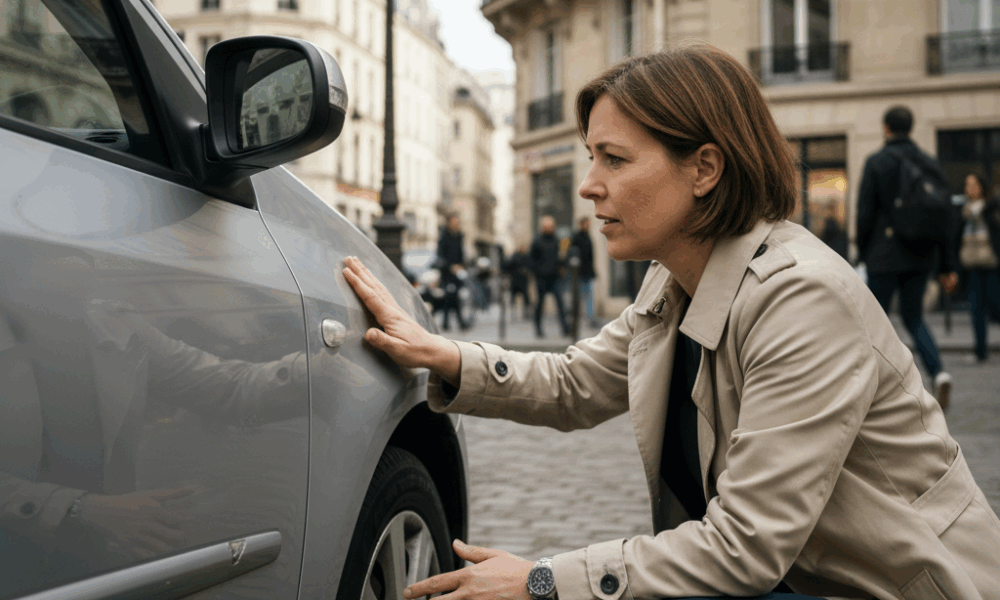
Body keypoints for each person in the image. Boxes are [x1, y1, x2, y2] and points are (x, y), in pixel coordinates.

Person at [343, 44, 1000, 600]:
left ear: (705, 169)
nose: (589, 184)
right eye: (591, 157)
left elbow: (743, 546)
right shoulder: (678, 280)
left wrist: (540, 581)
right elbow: (578, 383)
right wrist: (440, 354)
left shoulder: (801, 297)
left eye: (615, 159)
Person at [856, 105, 958, 412]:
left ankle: (877, 388)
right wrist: (946, 265)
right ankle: (938, 371)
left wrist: (862, 254)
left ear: (886, 128)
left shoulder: (877, 161)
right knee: (914, 318)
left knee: (875, 323)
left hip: (884, 255)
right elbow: (945, 217)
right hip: (921, 254)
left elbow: (865, 214)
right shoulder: (929, 162)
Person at [957, 171, 1000, 363]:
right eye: (967, 185)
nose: (970, 189)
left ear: (982, 187)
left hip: (992, 264)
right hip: (972, 265)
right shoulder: (963, 211)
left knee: (996, 306)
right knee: (976, 309)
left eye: (974, 184)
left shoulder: (992, 207)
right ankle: (980, 351)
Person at [529, 216, 570, 338]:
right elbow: (532, 260)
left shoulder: (558, 241)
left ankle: (565, 329)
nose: (549, 228)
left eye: (550, 226)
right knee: (540, 305)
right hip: (541, 278)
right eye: (546, 226)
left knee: (560, 304)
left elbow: (563, 257)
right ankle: (538, 329)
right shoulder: (537, 241)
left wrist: (562, 267)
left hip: (555, 277)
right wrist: (537, 272)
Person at [435, 215, 469, 331]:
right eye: (454, 222)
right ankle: (459, 323)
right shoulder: (444, 237)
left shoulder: (459, 236)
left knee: (452, 297)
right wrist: (450, 266)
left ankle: (447, 323)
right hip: (447, 273)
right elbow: (440, 256)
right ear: (449, 223)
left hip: (457, 272)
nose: (456, 224)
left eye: (457, 222)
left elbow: (461, 253)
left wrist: (461, 265)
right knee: (451, 297)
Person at [569, 217, 598, 328]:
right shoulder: (576, 237)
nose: (588, 226)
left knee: (590, 297)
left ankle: (591, 319)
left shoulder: (588, 237)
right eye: (586, 224)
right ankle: (575, 318)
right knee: (578, 297)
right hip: (579, 274)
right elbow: (573, 255)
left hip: (588, 273)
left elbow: (591, 256)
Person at [503, 245, 532, 320]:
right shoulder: (514, 257)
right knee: (513, 297)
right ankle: (513, 313)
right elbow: (508, 266)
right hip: (515, 280)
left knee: (526, 297)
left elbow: (530, 266)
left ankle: (526, 312)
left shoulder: (526, 257)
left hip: (523, 280)